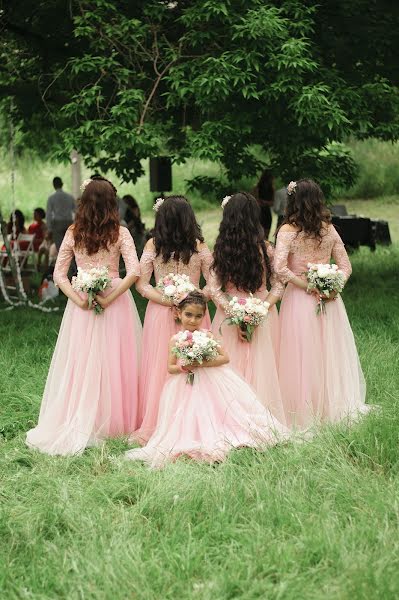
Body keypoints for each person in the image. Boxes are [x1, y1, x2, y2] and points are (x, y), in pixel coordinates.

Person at [26, 176, 142, 455]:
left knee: (84, 359)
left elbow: (59, 275)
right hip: (115, 300)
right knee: (117, 359)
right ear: (111, 202)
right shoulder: (121, 232)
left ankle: (86, 413)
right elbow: (135, 271)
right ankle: (117, 420)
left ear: (84, 203)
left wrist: (79, 300)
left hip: (83, 303)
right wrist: (113, 296)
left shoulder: (72, 232)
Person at [125, 291, 290, 468]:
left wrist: (202, 361)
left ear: (204, 316)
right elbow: (171, 368)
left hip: (212, 382)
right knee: (189, 413)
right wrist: (184, 367)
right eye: (188, 315)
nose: (193, 320)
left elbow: (224, 358)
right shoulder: (175, 340)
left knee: (213, 409)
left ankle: (224, 436)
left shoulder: (208, 336)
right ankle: (192, 438)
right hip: (184, 385)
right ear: (178, 313)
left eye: (198, 316)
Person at [274, 179, 370, 428]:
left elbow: (280, 269)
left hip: (300, 299)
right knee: (327, 351)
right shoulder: (329, 229)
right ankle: (330, 406)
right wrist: (333, 287)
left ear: (292, 200)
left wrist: (307, 286)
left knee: (304, 353)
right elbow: (346, 266)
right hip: (330, 301)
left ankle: (305, 410)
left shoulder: (287, 231)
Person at [132, 195, 213, 444]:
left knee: (191, 362)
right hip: (171, 312)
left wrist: (188, 300)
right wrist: (186, 300)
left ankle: (192, 420)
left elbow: (143, 286)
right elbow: (141, 283)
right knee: (161, 367)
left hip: (176, 310)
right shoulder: (155, 246)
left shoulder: (159, 246)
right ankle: (161, 421)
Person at [209, 192, 286, 424]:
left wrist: (233, 310)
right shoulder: (266, 249)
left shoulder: (221, 250)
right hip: (264, 312)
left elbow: (214, 289)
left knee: (232, 366)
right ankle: (262, 416)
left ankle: (233, 417)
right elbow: (279, 285)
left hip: (228, 314)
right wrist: (262, 307)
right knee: (264, 367)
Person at [46, 177, 75, 250]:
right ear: (62, 184)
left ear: (53, 185)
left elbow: (49, 214)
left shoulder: (51, 198)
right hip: (69, 222)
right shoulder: (70, 197)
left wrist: (49, 228)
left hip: (57, 223)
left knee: (60, 247)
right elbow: (76, 211)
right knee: (70, 246)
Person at [252, 169, 274, 239]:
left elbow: (272, 203)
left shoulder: (272, 189)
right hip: (259, 212)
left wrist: (264, 202)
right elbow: (255, 199)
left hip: (267, 212)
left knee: (266, 234)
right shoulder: (258, 187)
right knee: (259, 234)